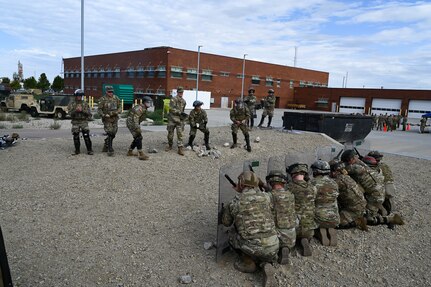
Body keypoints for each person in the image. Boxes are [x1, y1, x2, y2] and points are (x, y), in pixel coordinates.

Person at [221, 171, 279, 286]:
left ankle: (249, 262)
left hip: (252, 246)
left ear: (241, 184)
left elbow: (226, 222)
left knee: (232, 232)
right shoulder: (267, 197)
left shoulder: (235, 202)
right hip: (274, 246)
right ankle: (266, 262)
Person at [341, 150, 404, 227]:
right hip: (378, 192)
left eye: (347, 161)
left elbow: (343, 170)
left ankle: (391, 219)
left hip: (375, 197)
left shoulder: (355, 167)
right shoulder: (361, 162)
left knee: (367, 219)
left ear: (351, 160)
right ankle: (384, 211)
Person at [286, 163, 317, 256]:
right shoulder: (313, 188)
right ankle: (305, 239)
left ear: (293, 174)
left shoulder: (288, 187)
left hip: (295, 227)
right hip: (310, 227)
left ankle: (288, 247)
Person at [266, 170, 296, 264]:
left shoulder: (269, 196)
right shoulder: (291, 195)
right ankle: (286, 248)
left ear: (270, 183)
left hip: (277, 235)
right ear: (284, 182)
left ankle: (273, 256)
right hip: (291, 235)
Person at [329, 160, 368, 231]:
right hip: (361, 205)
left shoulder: (338, 181)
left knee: (334, 223)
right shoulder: (346, 176)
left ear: (333, 171)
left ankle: (357, 222)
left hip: (354, 209)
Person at [310, 160, 340, 246]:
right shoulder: (334, 183)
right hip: (334, 217)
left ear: (316, 171)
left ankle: (319, 231)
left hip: (319, 217)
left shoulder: (312, 183)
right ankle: (330, 228)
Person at [126, 96, 153, 160]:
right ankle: (140, 153)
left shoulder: (143, 108)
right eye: (148, 102)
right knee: (139, 137)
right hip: (132, 123)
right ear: (144, 102)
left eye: (150, 102)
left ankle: (130, 152)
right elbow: (135, 118)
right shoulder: (140, 108)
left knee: (137, 137)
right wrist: (137, 127)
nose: (149, 103)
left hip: (133, 123)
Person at [68, 89, 93, 155]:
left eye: (80, 96)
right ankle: (77, 150)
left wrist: (82, 111)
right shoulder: (72, 104)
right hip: (75, 121)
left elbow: (89, 114)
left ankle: (89, 150)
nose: (79, 97)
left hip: (83, 121)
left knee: (86, 135)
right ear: (75, 96)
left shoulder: (85, 103)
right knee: (76, 136)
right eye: (78, 96)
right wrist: (75, 111)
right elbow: (69, 114)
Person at [98, 86, 121, 156]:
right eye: (109, 92)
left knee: (114, 132)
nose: (111, 93)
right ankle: (110, 149)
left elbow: (120, 106)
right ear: (106, 92)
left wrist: (118, 111)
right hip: (107, 119)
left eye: (112, 92)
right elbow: (99, 109)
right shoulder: (102, 99)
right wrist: (103, 115)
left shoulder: (116, 98)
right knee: (110, 133)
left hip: (114, 118)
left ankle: (106, 143)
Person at [166, 86, 187, 156]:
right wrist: (179, 112)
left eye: (182, 92)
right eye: (180, 92)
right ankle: (170, 145)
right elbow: (171, 109)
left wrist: (183, 117)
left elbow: (183, 110)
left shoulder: (184, 101)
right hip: (172, 119)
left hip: (179, 120)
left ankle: (180, 148)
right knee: (170, 134)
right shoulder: (173, 99)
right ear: (177, 92)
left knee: (180, 134)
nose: (181, 93)